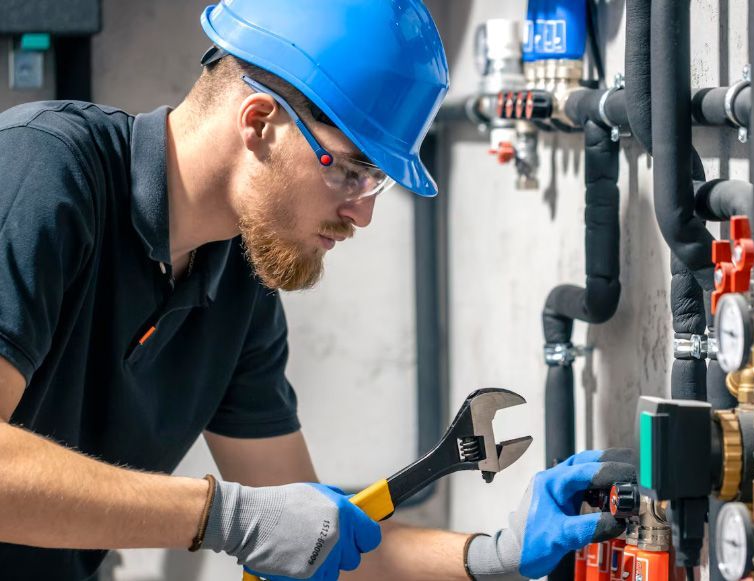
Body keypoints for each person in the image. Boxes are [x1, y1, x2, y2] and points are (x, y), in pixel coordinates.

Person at [0, 1, 635, 579]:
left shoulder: (238, 285)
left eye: (376, 182)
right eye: (354, 171)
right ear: (260, 123)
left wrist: (494, 554)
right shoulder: (43, 171)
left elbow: (314, 542)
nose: (363, 214)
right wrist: (224, 517)